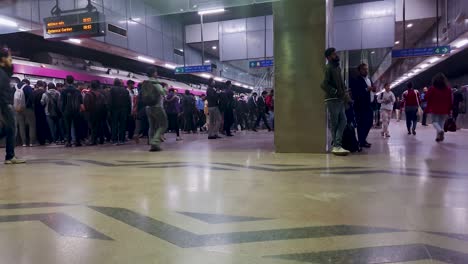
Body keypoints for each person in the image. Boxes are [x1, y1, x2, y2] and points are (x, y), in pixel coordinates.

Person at [321, 47, 349, 155]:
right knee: (335, 123)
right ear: (328, 57)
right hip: (332, 99)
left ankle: (337, 144)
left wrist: (345, 96)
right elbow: (324, 84)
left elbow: (341, 84)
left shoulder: (337, 68)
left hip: (339, 99)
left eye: (335, 54)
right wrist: (335, 91)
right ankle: (336, 146)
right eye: (333, 54)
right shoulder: (328, 68)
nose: (336, 55)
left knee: (343, 121)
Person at [0, 47, 25, 164]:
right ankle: (10, 156)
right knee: (11, 129)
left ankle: (10, 156)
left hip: (5, 104)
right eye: (9, 57)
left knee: (8, 129)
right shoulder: (1, 73)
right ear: (2, 59)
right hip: (5, 105)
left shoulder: (4, 72)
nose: (11, 59)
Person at [141, 67, 167, 152]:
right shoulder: (156, 82)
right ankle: (155, 142)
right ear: (153, 73)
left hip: (148, 107)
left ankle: (152, 145)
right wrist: (166, 87)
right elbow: (162, 92)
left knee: (152, 126)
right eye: (156, 72)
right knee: (163, 125)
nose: (157, 74)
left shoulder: (145, 83)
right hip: (157, 106)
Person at [350, 63, 374, 148]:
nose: (366, 70)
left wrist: (373, 89)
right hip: (360, 106)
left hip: (368, 105)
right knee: (361, 124)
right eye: (364, 69)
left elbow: (372, 89)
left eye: (366, 69)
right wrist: (367, 89)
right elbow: (356, 93)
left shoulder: (369, 80)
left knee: (370, 122)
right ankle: (362, 141)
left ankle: (362, 140)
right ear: (359, 70)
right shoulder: (356, 80)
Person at [425, 73, 453, 142]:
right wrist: (450, 109)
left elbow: (426, 97)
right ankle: (438, 137)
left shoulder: (432, 89)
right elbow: (450, 100)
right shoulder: (448, 89)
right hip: (444, 109)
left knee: (435, 122)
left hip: (434, 109)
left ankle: (440, 131)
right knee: (441, 123)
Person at [61, 75, 84, 147]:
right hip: (76, 111)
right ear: (73, 81)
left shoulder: (64, 91)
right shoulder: (77, 91)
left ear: (66, 81)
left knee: (67, 126)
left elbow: (62, 102)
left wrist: (62, 111)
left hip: (67, 111)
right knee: (77, 126)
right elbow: (81, 101)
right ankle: (77, 141)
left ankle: (68, 142)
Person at [84, 80, 107, 145]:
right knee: (100, 126)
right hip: (100, 113)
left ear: (91, 86)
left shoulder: (88, 94)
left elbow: (86, 105)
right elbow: (104, 105)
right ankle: (101, 139)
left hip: (91, 113)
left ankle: (93, 140)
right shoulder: (101, 95)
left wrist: (87, 112)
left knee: (92, 127)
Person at [109, 78, 131, 145]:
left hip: (114, 110)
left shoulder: (112, 89)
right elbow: (128, 102)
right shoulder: (125, 90)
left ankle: (114, 140)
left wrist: (109, 110)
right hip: (124, 110)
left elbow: (110, 100)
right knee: (122, 125)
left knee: (114, 125)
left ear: (114, 83)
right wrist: (129, 111)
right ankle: (122, 139)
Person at [16, 78, 36, 146]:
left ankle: (23, 143)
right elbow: (31, 96)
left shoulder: (14, 87)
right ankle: (31, 142)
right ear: (27, 83)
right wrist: (28, 104)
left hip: (18, 109)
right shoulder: (27, 87)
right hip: (28, 108)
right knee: (32, 125)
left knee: (21, 125)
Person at [33, 80, 51, 145]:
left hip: (36, 111)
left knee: (38, 125)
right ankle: (46, 139)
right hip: (43, 111)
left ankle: (40, 140)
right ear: (43, 85)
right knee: (44, 125)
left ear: (37, 85)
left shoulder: (34, 93)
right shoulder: (45, 92)